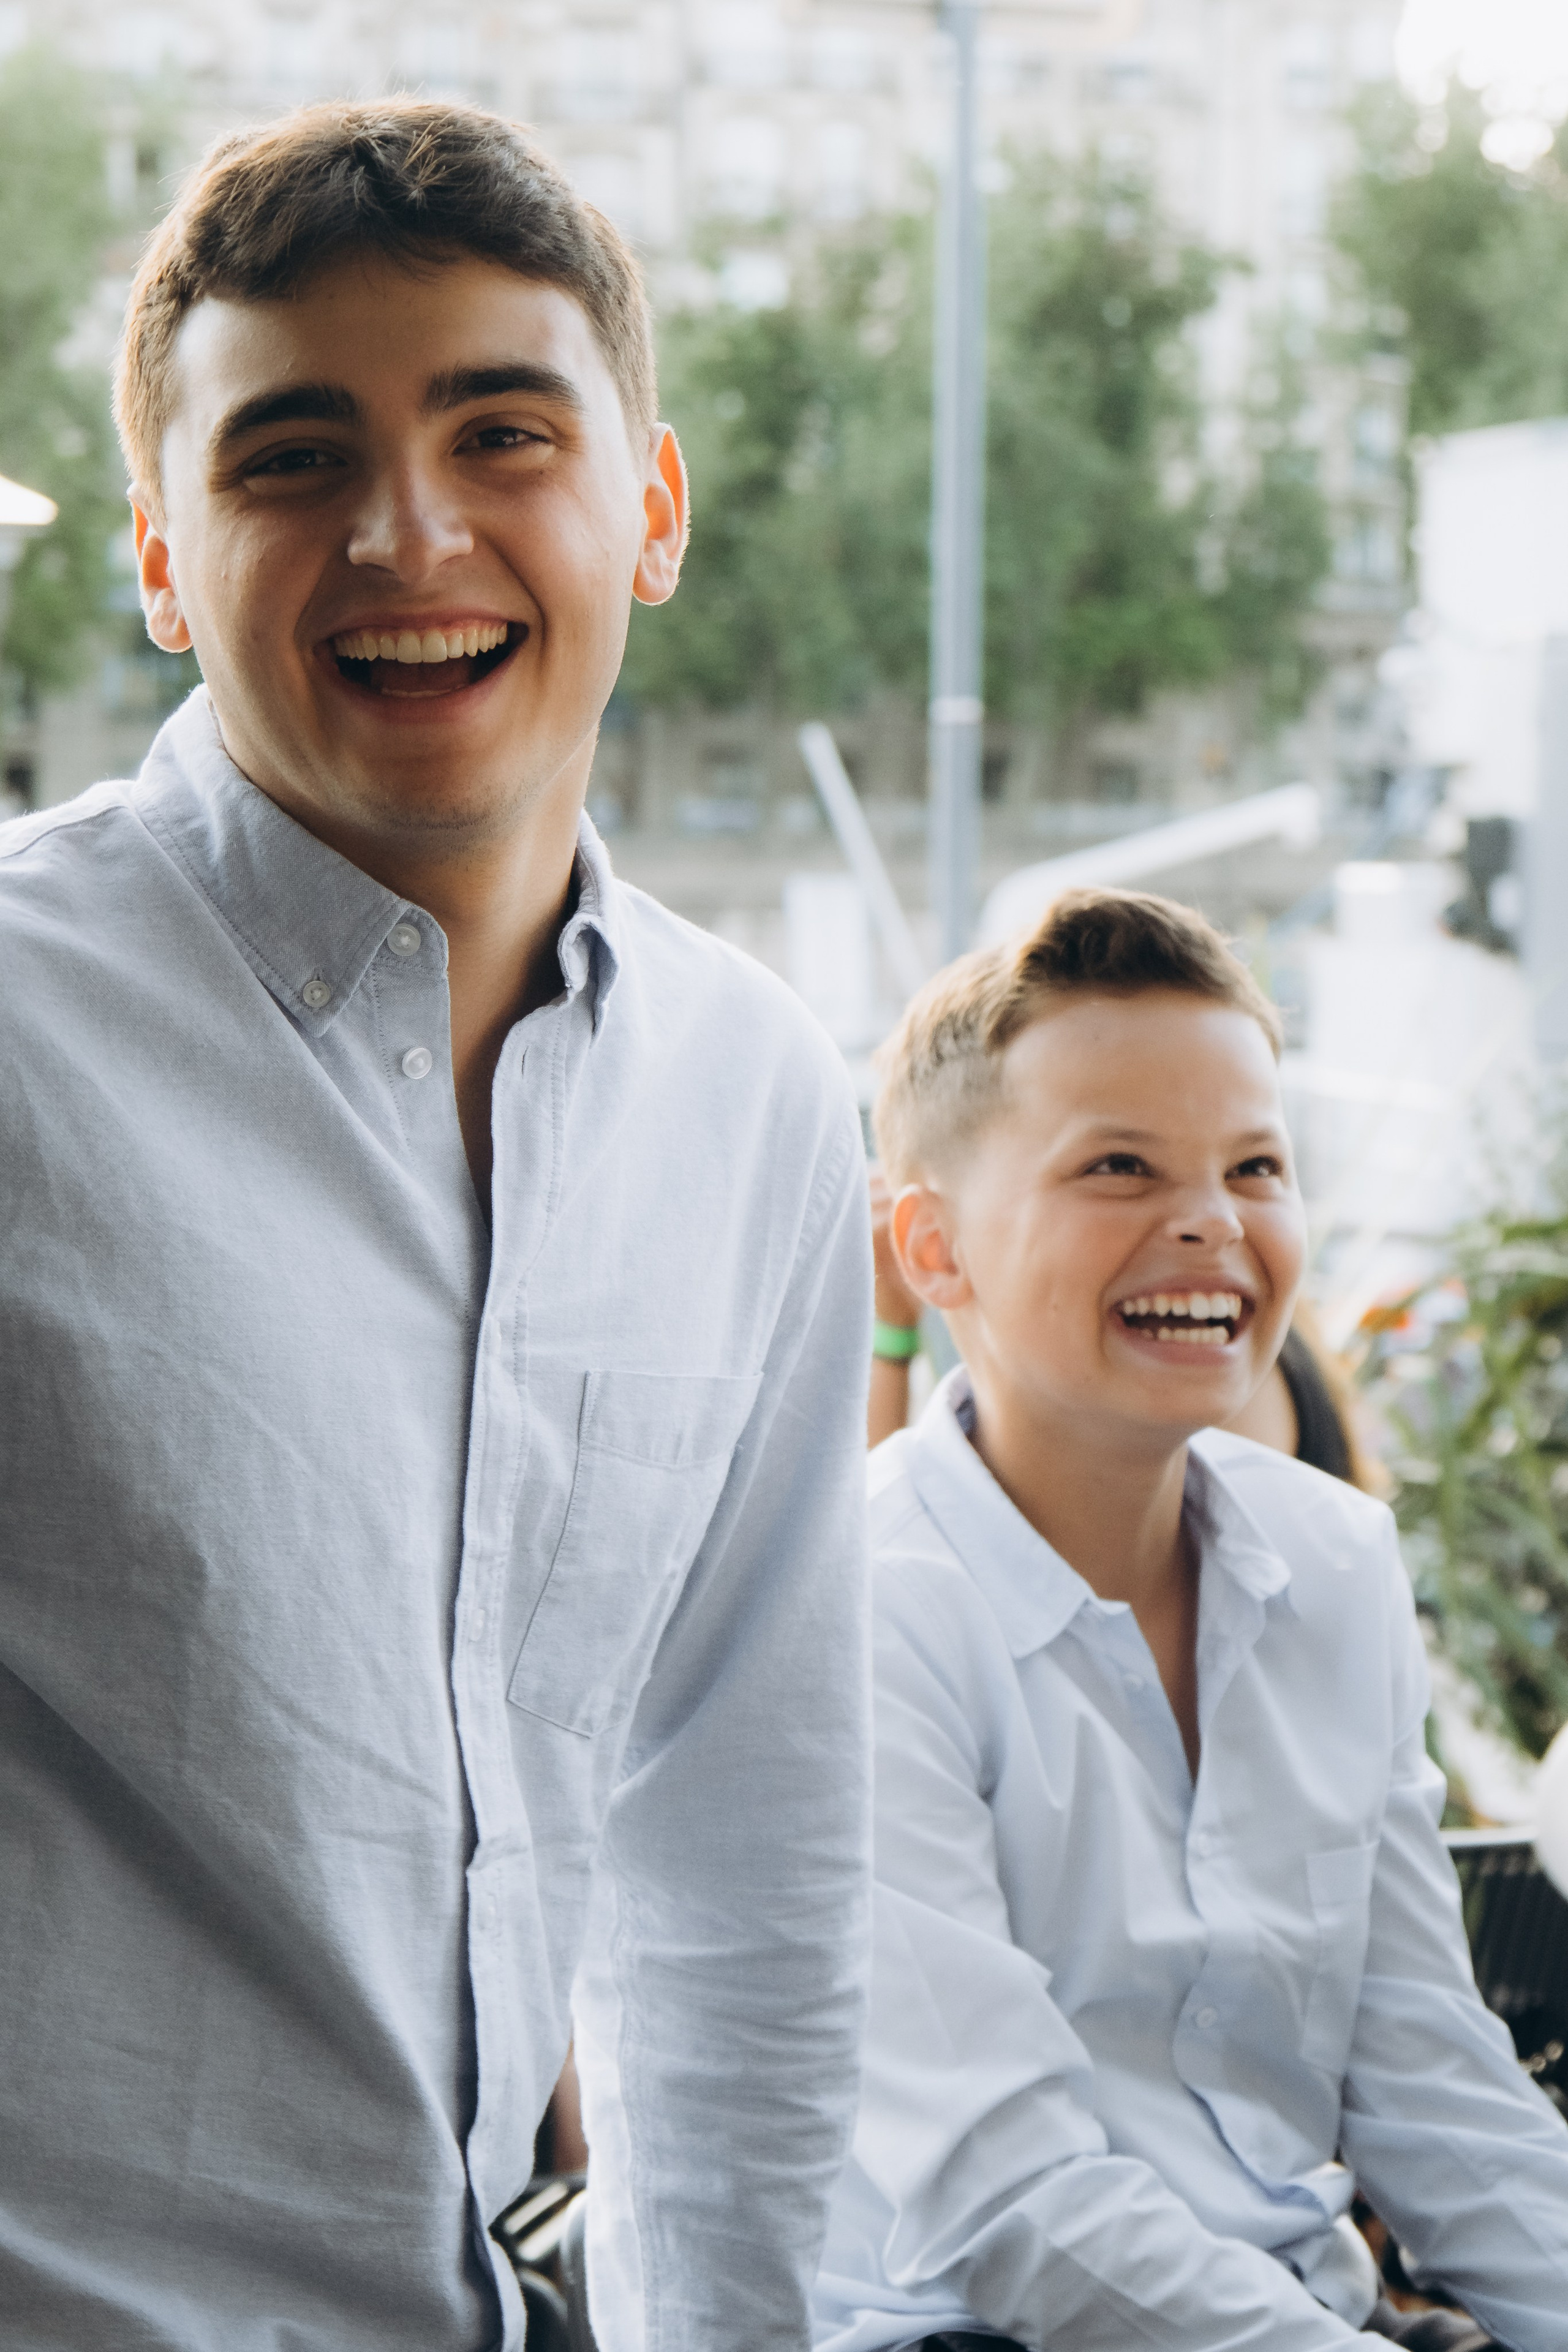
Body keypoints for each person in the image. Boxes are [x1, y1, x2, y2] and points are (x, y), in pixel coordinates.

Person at [0, 101, 872, 2352]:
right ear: (163, 559)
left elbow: (741, 1879)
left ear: (649, 509)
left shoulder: (758, 1096)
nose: (411, 531)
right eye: (290, 457)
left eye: (503, 432)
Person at [814, 886, 1568, 2352]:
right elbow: (1006, 2204)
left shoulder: (1334, 1563)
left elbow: (1429, 2082)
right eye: (1119, 1166)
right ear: (933, 1248)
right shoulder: (854, 1618)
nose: (1210, 1223)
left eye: (1254, 1166)